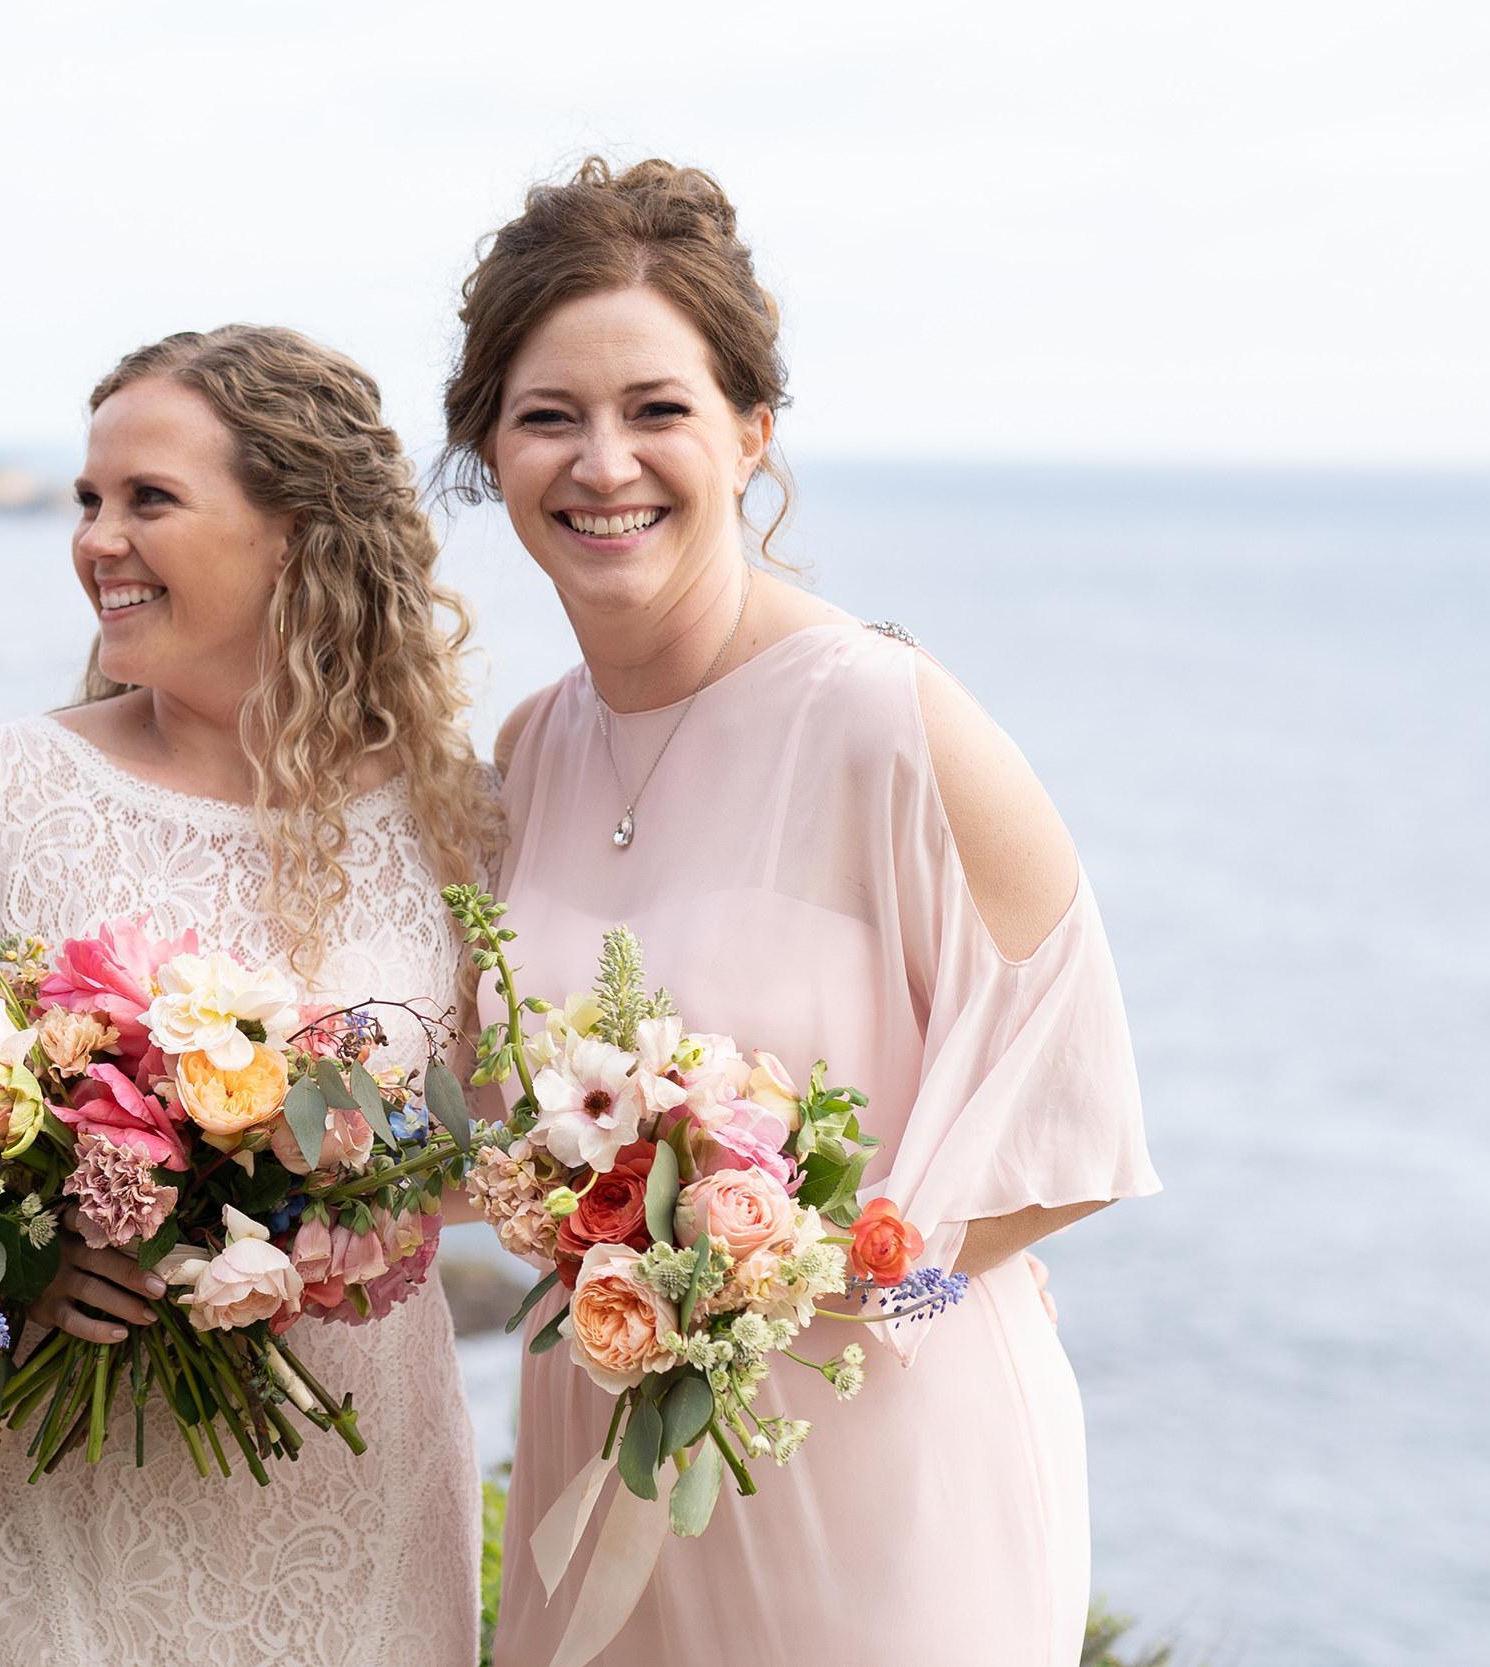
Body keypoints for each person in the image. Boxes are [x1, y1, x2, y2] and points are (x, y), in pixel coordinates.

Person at [455, 159, 1160, 1667]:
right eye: (548, 416)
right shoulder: (531, 749)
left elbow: (1078, 1134)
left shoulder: (891, 721)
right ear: (489, 448)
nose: (602, 462)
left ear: (750, 431)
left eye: (657, 408)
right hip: (606, 1435)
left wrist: (805, 1285)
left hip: (879, 1471)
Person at [0, 326, 498, 1665]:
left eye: (148, 499)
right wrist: (26, 1261)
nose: (97, 540)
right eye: (88, 500)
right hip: (57, 1491)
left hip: (362, 1486)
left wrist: (332, 1218)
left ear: (299, 534)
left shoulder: (458, 818)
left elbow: (493, 1144)